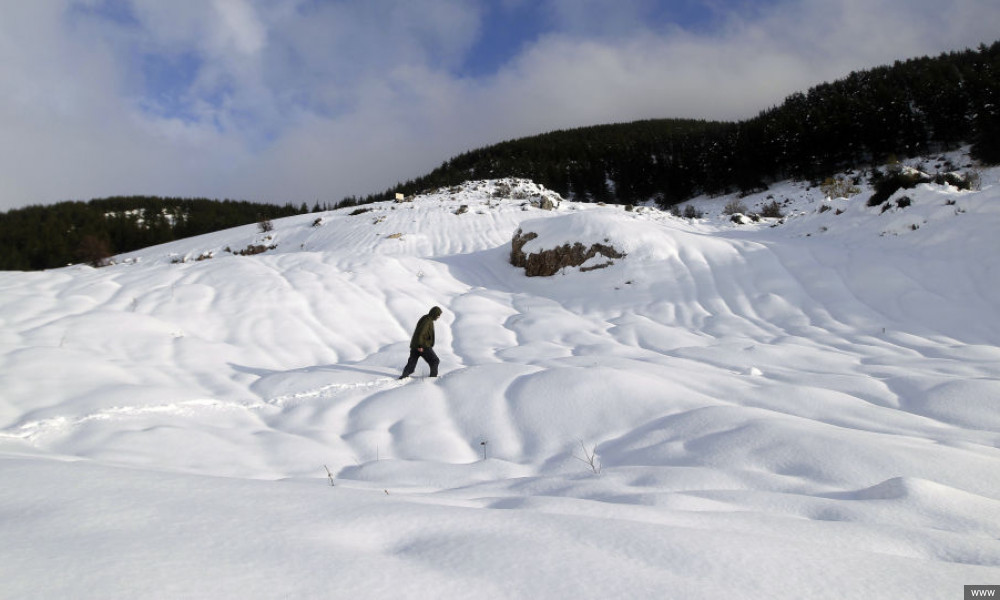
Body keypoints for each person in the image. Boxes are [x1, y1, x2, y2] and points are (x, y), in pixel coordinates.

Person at [399, 306, 442, 379]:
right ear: (434, 314)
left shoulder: (426, 318)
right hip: (423, 345)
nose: (438, 317)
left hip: (415, 345)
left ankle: (404, 376)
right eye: (438, 315)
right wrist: (420, 346)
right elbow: (421, 333)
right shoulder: (427, 320)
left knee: (412, 363)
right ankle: (433, 379)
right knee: (435, 360)